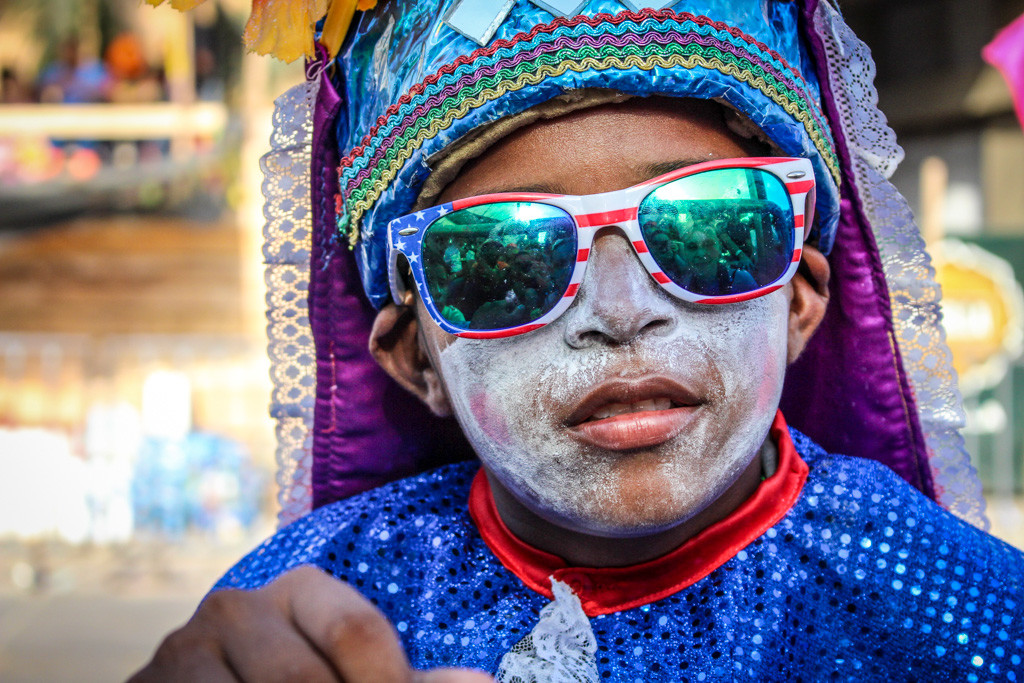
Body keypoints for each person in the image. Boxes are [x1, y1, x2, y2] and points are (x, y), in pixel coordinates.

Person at [132, 1, 1024, 680]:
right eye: (505, 255)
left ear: (800, 300)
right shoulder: (306, 612)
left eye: (709, 225)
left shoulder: (964, 609)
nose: (620, 307)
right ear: (416, 357)